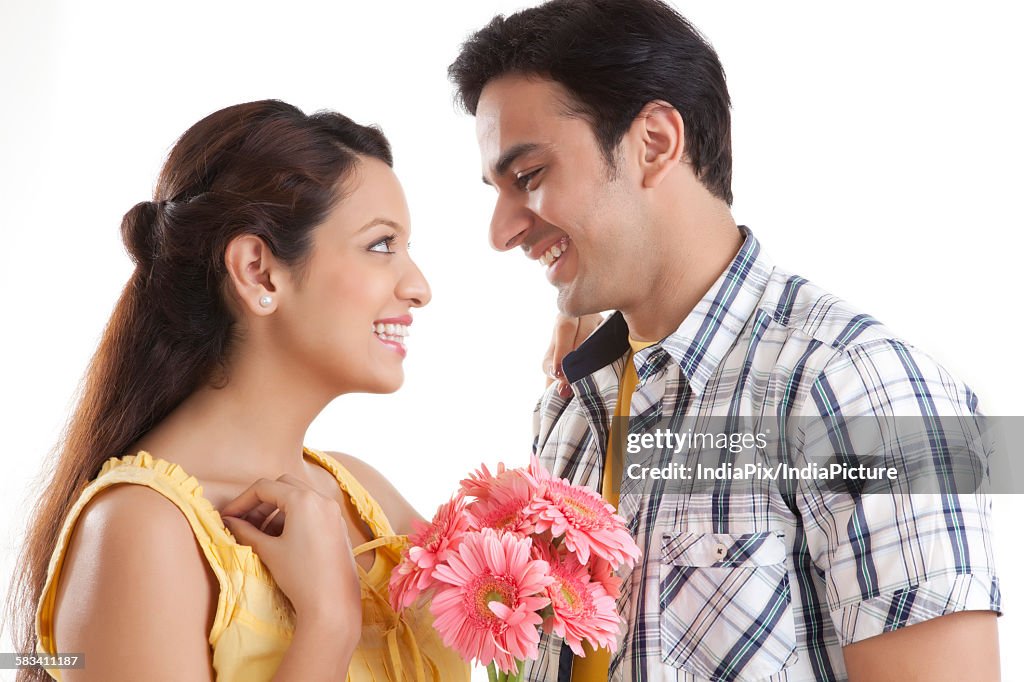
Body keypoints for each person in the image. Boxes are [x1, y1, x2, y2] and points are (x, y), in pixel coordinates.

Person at [449, 1, 1002, 680]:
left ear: (653, 141)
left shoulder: (863, 388)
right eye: (497, 189)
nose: (501, 231)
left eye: (529, 177)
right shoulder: (573, 413)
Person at [7, 100, 470, 681]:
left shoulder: (366, 500)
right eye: (382, 245)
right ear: (259, 270)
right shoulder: (141, 529)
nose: (419, 286)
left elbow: (551, 619)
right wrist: (327, 624)